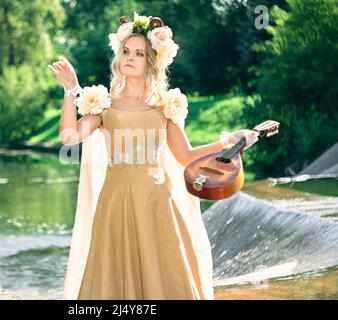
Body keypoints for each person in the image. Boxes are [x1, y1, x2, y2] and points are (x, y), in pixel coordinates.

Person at [48, 13, 259, 300]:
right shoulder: (103, 105)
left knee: (165, 276)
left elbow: (186, 155)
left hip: (158, 200)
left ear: (151, 61)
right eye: (125, 51)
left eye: (138, 53)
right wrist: (71, 90)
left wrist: (229, 141)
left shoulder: (165, 106)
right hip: (115, 201)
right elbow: (69, 137)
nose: (129, 58)